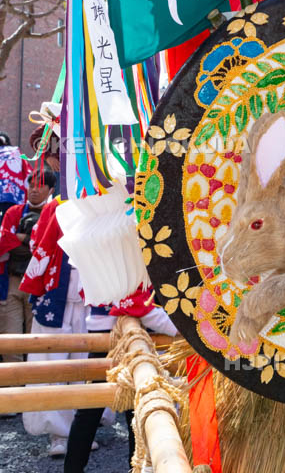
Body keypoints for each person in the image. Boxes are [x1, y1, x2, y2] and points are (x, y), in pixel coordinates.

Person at [63, 287, 178, 472]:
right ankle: (136, 468)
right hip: (116, 333)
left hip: (105, 330)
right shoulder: (126, 260)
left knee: (96, 410)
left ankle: (72, 469)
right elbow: (140, 307)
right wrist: (181, 329)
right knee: (132, 405)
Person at [20, 190, 88, 458]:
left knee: (84, 367)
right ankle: (58, 434)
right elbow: (39, 243)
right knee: (53, 367)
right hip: (56, 297)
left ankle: (82, 431)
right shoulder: (55, 206)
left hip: (89, 299)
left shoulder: (104, 197)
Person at [0, 168, 55, 348]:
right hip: (13, 282)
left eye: (39, 186)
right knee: (9, 336)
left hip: (41, 285)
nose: (34, 190)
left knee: (36, 338)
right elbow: (4, 241)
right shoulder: (13, 212)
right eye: (31, 185)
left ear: (51, 190)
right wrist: (34, 244)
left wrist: (22, 239)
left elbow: (51, 248)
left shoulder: (55, 213)